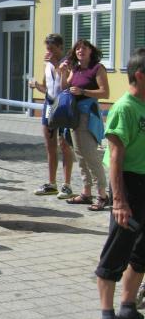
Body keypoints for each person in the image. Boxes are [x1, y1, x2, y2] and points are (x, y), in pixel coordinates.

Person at [93, 48, 145, 319]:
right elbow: (115, 158)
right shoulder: (125, 108)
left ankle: (127, 310)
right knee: (117, 252)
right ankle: (106, 318)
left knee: (141, 253)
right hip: (127, 184)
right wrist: (119, 202)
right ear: (140, 75)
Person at [63, 39, 110, 211]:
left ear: (91, 51)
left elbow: (105, 92)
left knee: (90, 155)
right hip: (74, 115)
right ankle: (86, 192)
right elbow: (64, 88)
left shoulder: (97, 68)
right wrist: (63, 73)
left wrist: (83, 91)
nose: (80, 51)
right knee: (80, 155)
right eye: (77, 48)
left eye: (84, 48)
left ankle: (102, 195)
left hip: (87, 115)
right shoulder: (75, 69)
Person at [29, 33, 75, 198]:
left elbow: (67, 85)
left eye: (53, 49)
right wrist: (36, 85)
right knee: (50, 146)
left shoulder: (67, 63)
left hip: (63, 105)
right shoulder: (47, 64)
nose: (50, 52)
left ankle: (67, 185)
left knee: (65, 145)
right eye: (48, 49)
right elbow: (47, 87)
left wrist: (56, 64)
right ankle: (51, 183)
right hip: (49, 105)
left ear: (61, 48)